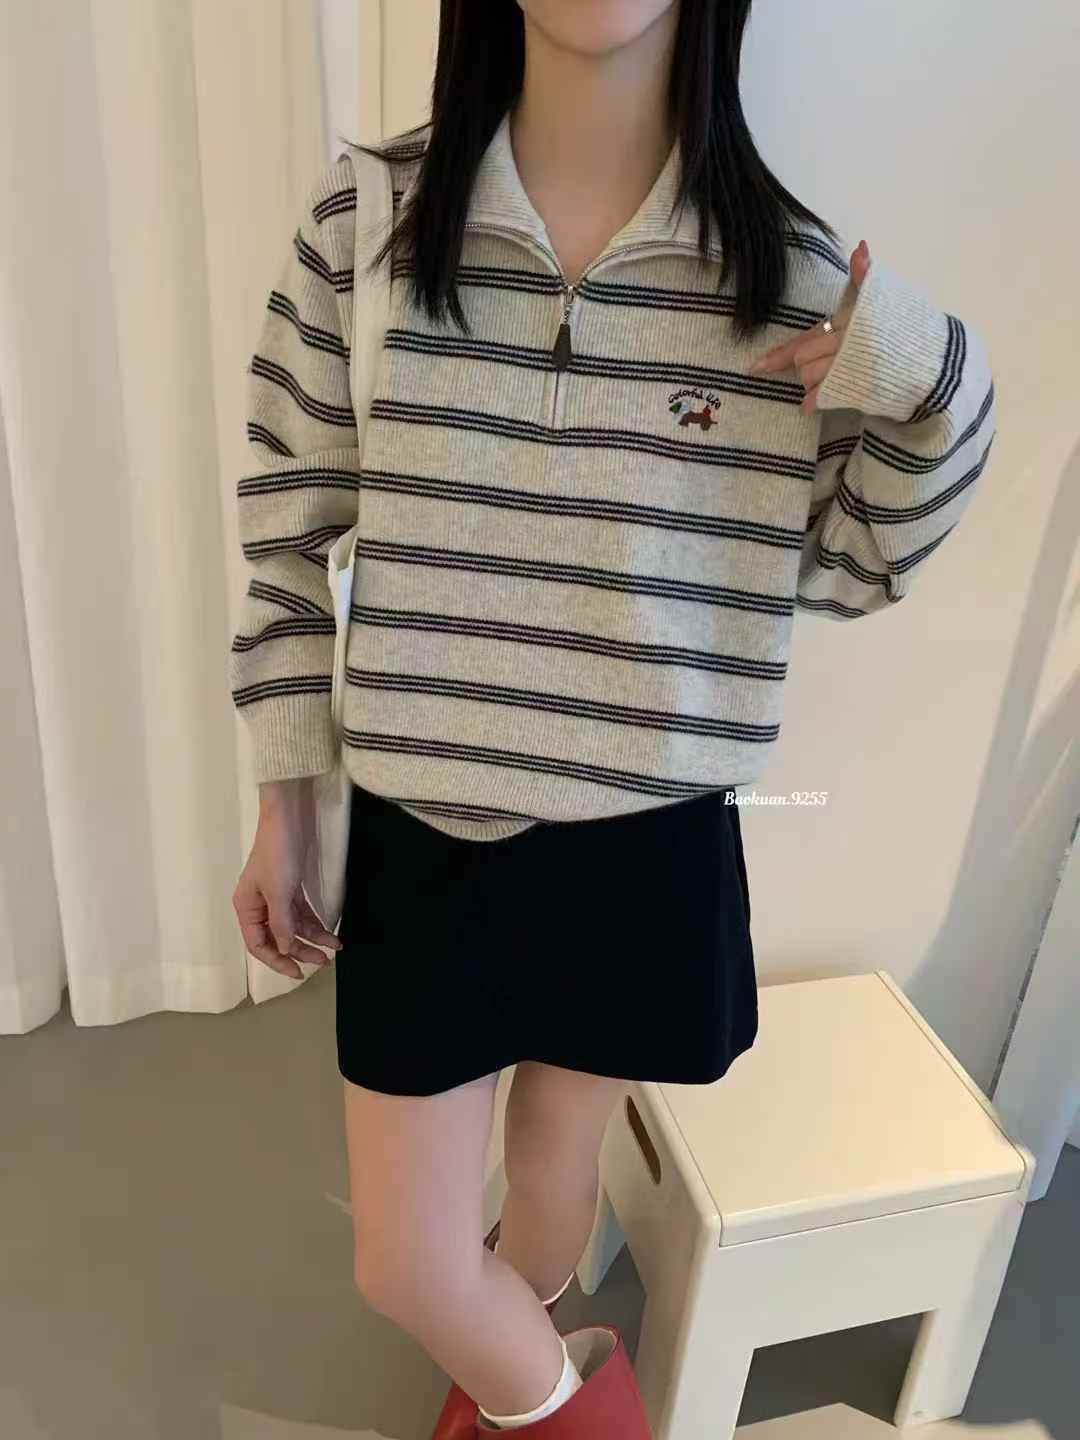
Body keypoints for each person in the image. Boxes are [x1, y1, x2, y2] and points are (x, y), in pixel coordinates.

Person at [229, 2, 996, 1434]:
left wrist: (928, 375)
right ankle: (571, 1410)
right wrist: (285, 802)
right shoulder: (369, 223)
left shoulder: (790, 280)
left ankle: (505, 1397)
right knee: (408, 1260)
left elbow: (851, 566)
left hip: (643, 839)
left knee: (549, 1190)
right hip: (427, 826)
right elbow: (288, 528)